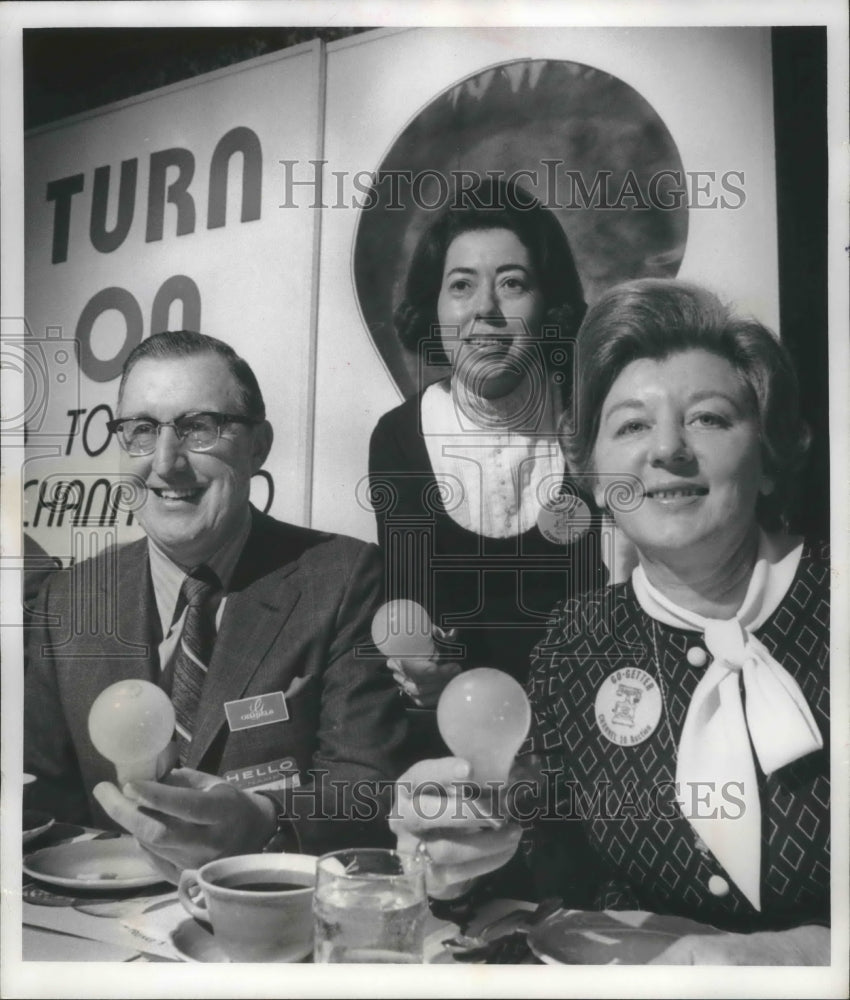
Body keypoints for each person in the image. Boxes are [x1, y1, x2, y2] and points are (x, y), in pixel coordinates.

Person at [390, 279, 829, 964]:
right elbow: (538, 872)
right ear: (593, 474)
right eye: (630, 425)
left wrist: (799, 956)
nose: (668, 450)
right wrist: (456, 859)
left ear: (770, 458)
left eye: (709, 418)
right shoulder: (574, 643)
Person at [25, 331, 410, 882]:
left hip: (261, 913)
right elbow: (39, 798)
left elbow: (367, 786)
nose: (164, 462)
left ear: (258, 446)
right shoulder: (68, 598)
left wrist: (265, 823)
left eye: (196, 428)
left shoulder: (342, 577)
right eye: (140, 430)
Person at [368, 177, 606, 715]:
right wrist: (418, 667)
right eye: (461, 286)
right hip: (460, 730)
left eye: (513, 283)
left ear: (549, 303)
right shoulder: (398, 437)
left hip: (593, 726)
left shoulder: (596, 416)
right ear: (434, 307)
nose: (485, 310)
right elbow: (410, 601)